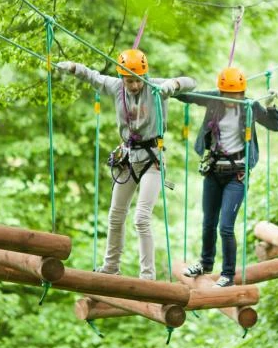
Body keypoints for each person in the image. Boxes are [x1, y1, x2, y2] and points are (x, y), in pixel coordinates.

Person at [56, 50, 196, 280]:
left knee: (141, 218)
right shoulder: (115, 87)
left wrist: (173, 84)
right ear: (122, 77)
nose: (133, 85)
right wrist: (72, 67)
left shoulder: (156, 89)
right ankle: (111, 267)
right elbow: (92, 76)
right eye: (129, 80)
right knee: (115, 215)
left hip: (152, 160)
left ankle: (147, 276)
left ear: (144, 75)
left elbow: (191, 82)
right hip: (128, 158)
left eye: (137, 80)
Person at [178, 66, 278, 287]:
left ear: (243, 93)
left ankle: (227, 274)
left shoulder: (249, 106)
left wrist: (271, 106)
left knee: (225, 226)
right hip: (214, 171)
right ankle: (205, 264)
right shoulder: (214, 100)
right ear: (221, 92)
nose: (232, 100)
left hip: (237, 175)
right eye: (228, 96)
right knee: (208, 222)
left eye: (237, 96)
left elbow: (275, 125)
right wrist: (169, 86)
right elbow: (187, 96)